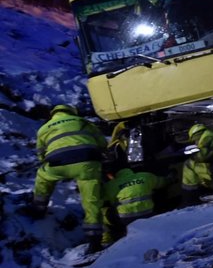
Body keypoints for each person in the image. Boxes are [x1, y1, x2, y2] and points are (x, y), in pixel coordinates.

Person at [31, 104, 107, 252]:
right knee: (91, 201)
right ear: (73, 112)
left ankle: (39, 208)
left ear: (53, 114)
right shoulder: (84, 122)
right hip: (87, 163)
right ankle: (94, 241)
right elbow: (102, 143)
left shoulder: (43, 128)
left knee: (43, 177)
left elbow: (41, 154)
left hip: (58, 163)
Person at [101, 167, 175, 246]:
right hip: (148, 214)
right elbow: (162, 182)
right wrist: (170, 178)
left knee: (100, 212)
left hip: (125, 219)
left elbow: (98, 200)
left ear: (113, 174)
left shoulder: (110, 185)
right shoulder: (145, 176)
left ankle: (106, 240)